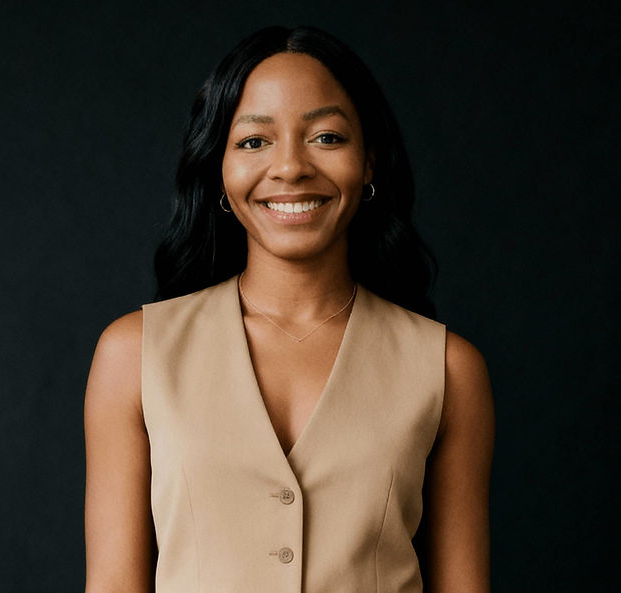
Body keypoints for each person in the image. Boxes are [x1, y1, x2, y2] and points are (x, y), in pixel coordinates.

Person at [84, 26, 494, 593]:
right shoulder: (133, 355)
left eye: (326, 137)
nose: (291, 167)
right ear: (219, 172)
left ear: (369, 163)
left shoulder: (449, 368)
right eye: (254, 141)